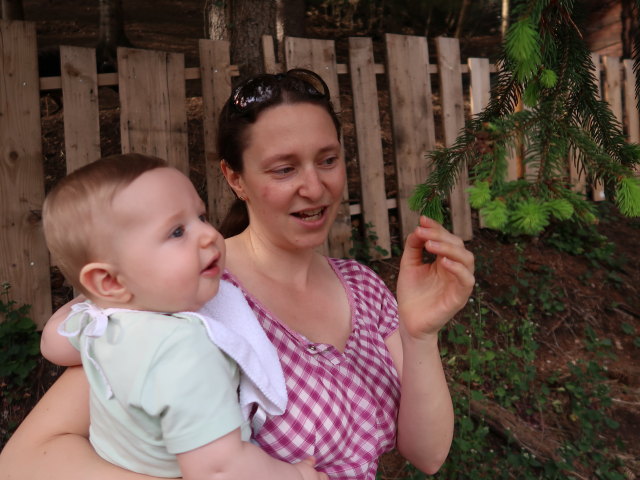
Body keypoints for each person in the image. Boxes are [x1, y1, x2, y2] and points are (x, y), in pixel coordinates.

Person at [0, 69, 475, 479]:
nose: (315, 187)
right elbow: (26, 460)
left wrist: (418, 334)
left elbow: (428, 455)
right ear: (235, 178)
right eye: (284, 169)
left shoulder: (363, 288)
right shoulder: (188, 294)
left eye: (327, 160)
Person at [37, 153, 326, 480]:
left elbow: (53, 344)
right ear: (110, 281)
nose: (208, 234)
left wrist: (100, 298)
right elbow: (221, 469)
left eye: (201, 216)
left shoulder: (101, 324)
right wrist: (298, 476)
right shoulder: (184, 348)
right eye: (176, 232)